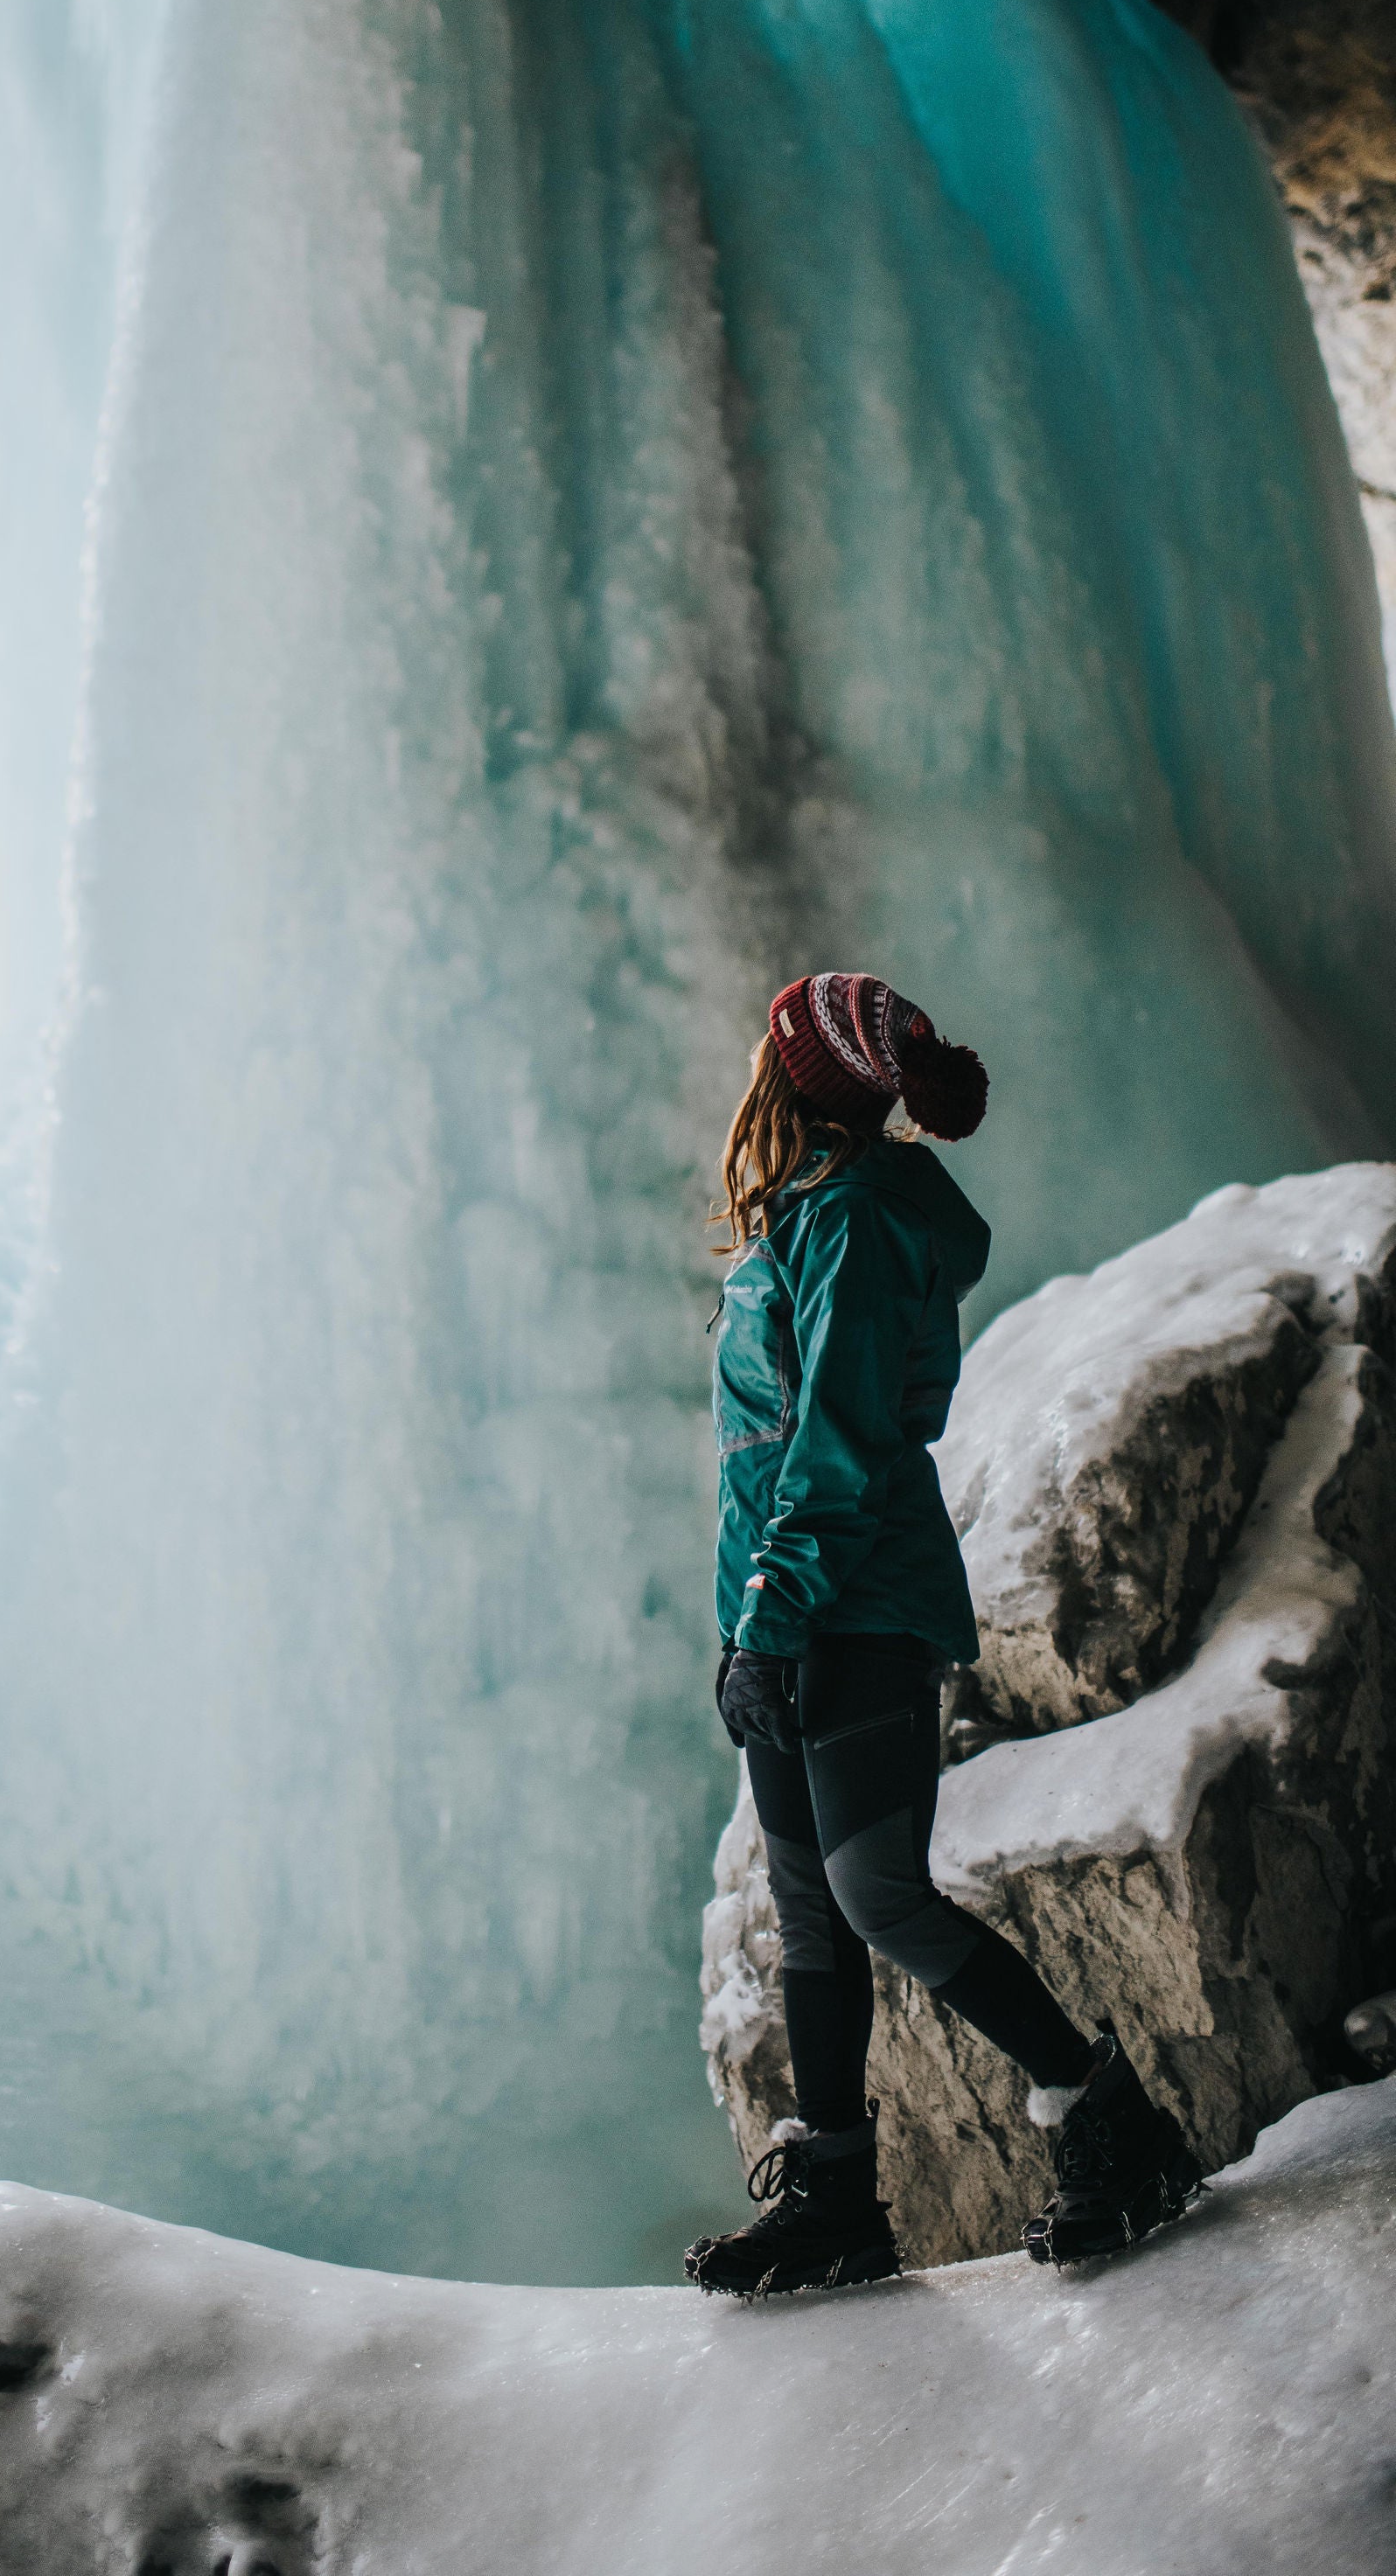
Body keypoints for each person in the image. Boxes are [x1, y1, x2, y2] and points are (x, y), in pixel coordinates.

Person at [685, 971, 1202, 2298]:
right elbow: (775, 1452)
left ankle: (1110, 2121)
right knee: (811, 1908)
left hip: (850, 1602)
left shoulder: (855, 1216)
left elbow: (842, 1443)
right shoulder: (810, 1217)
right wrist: (749, 1621)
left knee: (873, 1893)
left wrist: (778, 1615)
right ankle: (839, 2201)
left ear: (794, 1077)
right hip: (788, 1606)